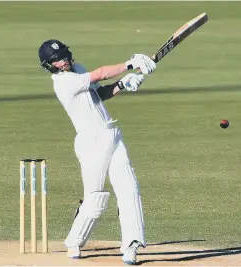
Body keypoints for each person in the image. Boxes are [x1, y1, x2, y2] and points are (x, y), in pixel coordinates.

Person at [37, 39, 157, 265]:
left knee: (129, 187)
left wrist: (122, 85)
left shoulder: (78, 69)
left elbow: (98, 94)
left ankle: (131, 245)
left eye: (64, 55)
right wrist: (131, 64)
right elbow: (101, 74)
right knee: (96, 199)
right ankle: (74, 241)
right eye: (58, 59)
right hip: (90, 141)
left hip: (112, 133)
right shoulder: (63, 83)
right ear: (50, 65)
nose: (64, 60)